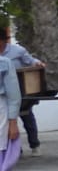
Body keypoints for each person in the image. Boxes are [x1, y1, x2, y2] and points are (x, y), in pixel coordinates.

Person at [0, 25, 43, 155]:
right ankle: (15, 149)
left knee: (27, 117)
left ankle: (34, 144)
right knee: (6, 123)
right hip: (3, 94)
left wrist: (38, 63)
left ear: (3, 40)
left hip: (20, 91)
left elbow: (30, 61)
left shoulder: (18, 51)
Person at [0, 48, 20, 171]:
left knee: (3, 164)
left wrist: (13, 122)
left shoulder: (4, 63)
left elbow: (14, 96)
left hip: (1, 112)